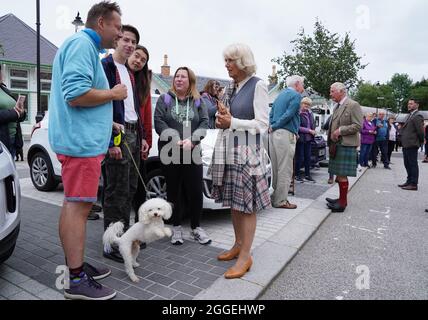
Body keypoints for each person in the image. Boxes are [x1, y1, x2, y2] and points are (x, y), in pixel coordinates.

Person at [48, 1, 126, 300]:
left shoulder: (82, 46)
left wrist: (110, 123)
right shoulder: (82, 45)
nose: (119, 34)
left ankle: (74, 266)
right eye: (117, 27)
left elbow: (81, 94)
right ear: (101, 23)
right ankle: (76, 279)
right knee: (79, 208)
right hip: (80, 145)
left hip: (79, 140)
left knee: (73, 205)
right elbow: (76, 94)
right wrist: (114, 94)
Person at [210, 43, 270, 279]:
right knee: (235, 202)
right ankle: (237, 245)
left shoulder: (259, 86)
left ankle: (246, 256)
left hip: (248, 153)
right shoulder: (232, 86)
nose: (226, 65)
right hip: (229, 150)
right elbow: (230, 118)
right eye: (225, 61)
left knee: (246, 206)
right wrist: (221, 118)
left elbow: (262, 125)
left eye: (230, 61)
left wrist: (232, 122)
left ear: (243, 61)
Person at [101, 24, 149, 263]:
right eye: (126, 40)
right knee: (115, 191)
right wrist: (112, 142)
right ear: (117, 40)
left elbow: (133, 110)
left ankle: (125, 239)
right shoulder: (106, 66)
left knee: (129, 189)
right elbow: (103, 107)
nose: (130, 45)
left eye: (133, 42)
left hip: (133, 135)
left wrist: (141, 138)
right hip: (117, 136)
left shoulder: (130, 72)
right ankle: (111, 245)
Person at [154, 67, 211, 246]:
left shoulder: (198, 101)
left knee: (194, 190)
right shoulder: (165, 99)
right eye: (177, 76)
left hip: (192, 152)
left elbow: (204, 122)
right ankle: (176, 227)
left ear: (190, 81)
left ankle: (196, 228)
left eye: (183, 77)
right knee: (174, 190)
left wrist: (193, 140)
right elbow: (159, 121)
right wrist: (175, 138)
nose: (179, 79)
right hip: (169, 152)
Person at [326, 82, 363, 213]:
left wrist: (340, 130)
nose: (330, 94)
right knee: (339, 175)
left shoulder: (353, 105)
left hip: (345, 145)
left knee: (342, 175)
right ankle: (341, 199)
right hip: (337, 145)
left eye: (332, 91)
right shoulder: (338, 106)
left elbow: (358, 126)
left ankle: (342, 203)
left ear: (341, 91)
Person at [269, 75, 305, 209]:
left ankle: (274, 198)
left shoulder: (280, 95)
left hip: (275, 133)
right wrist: (277, 125)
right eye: (302, 84)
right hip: (285, 133)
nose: (303, 87)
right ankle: (281, 201)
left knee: (275, 167)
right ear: (296, 84)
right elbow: (289, 114)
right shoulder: (295, 96)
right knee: (285, 168)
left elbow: (271, 112)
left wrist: (272, 125)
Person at [128, 45, 153, 219]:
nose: (138, 61)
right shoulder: (116, 74)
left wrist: (147, 142)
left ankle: (140, 225)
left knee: (140, 188)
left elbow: (146, 117)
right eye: (137, 56)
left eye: (143, 60)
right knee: (120, 188)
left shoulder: (144, 84)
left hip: (138, 140)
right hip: (120, 137)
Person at [398, 99, 424, 191]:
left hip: (412, 144)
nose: (409, 105)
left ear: (417, 105)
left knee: (412, 164)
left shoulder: (417, 116)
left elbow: (420, 131)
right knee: (407, 163)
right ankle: (409, 181)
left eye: (411, 104)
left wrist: (420, 141)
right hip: (406, 144)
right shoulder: (410, 115)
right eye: (408, 103)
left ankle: (413, 184)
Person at [0, 64, 27, 157]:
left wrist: (22, 112)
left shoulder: (5, 90)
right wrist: (14, 113)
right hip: (2, 142)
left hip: (12, 140)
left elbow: (18, 115)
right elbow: (14, 113)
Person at [295, 97, 316, 182]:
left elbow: (312, 124)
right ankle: (297, 174)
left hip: (309, 139)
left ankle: (308, 175)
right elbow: (297, 127)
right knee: (300, 157)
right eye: (305, 104)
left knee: (308, 157)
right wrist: (309, 130)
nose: (306, 106)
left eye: (308, 104)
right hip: (301, 139)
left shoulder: (310, 113)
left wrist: (313, 130)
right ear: (301, 104)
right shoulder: (298, 113)